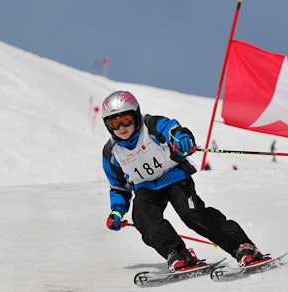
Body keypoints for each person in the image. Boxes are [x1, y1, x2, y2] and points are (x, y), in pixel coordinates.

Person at [101, 90, 266, 273]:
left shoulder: (151, 126)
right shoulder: (111, 153)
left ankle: (242, 246)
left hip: (174, 177)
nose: (122, 127)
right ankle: (177, 253)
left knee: (192, 214)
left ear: (136, 116)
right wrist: (117, 211)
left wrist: (181, 138)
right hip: (146, 187)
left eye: (127, 120)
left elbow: (172, 128)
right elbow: (118, 186)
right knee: (143, 218)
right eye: (115, 123)